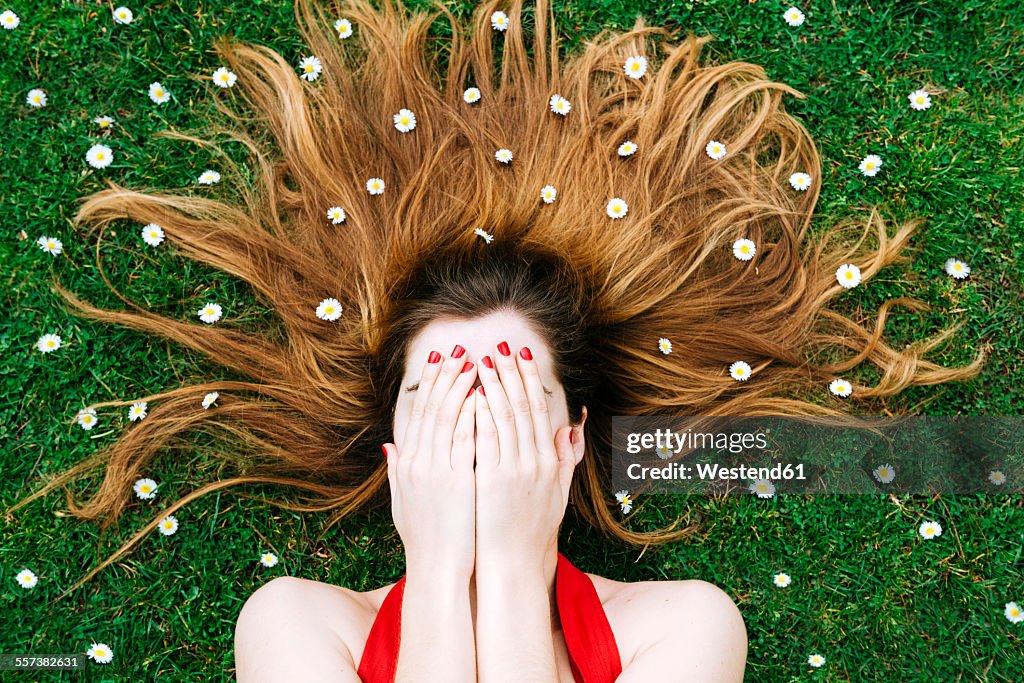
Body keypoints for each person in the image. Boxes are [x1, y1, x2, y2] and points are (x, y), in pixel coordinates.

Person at [7, 0, 983, 679]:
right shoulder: (294, 623)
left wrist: (513, 570)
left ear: (569, 442)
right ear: (395, 451)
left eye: (515, 406)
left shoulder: (686, 626)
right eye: (440, 410)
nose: (477, 440)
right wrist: (436, 569)